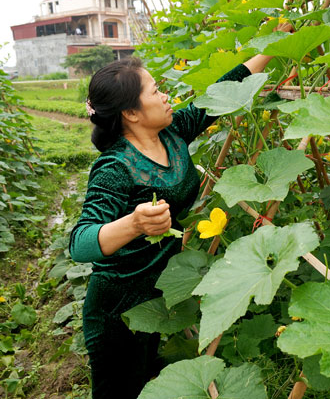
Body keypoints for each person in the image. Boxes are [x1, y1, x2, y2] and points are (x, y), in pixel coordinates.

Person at [69, 24, 292, 399]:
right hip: (117, 308)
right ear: (132, 113)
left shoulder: (173, 134)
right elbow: (80, 243)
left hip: (158, 293)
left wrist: (277, 41)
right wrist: (133, 223)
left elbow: (226, 87)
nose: (166, 95)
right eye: (156, 91)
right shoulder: (115, 167)